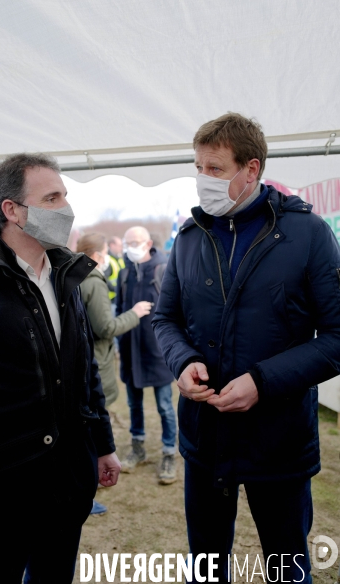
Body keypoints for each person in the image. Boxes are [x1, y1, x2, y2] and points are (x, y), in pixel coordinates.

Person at [152, 112, 340, 583]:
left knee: (286, 566)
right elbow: (165, 318)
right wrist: (184, 361)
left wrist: (262, 381)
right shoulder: (190, 237)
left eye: (214, 169)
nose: (202, 180)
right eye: (198, 168)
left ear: (250, 170)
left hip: (277, 440)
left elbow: (337, 337)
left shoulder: (308, 234)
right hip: (204, 436)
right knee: (207, 567)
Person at [0, 153, 121, 583]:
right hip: (0, 503)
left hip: (66, 493)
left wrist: (101, 444)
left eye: (65, 195)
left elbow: (84, 372)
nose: (66, 208)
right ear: (12, 210)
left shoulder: (65, 276)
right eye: (52, 197)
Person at [77, 232, 152, 515]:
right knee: (91, 429)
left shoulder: (74, 276)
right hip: (95, 362)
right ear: (97, 256)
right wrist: (135, 313)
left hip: (84, 362)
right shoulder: (93, 281)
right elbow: (105, 328)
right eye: (106, 252)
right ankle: (88, 492)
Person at [116, 226, 177, 485]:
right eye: (128, 242)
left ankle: (169, 452)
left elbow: (175, 310)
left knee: (164, 405)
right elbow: (119, 309)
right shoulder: (124, 273)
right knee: (133, 404)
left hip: (158, 351)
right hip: (131, 350)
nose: (131, 247)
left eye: (136, 242)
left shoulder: (163, 269)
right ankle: (137, 447)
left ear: (148, 242)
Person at [104, 236, 125, 305]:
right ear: (112, 245)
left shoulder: (120, 259)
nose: (121, 248)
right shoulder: (107, 260)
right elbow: (104, 279)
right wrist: (117, 289)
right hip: (110, 300)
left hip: (119, 298)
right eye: (119, 246)